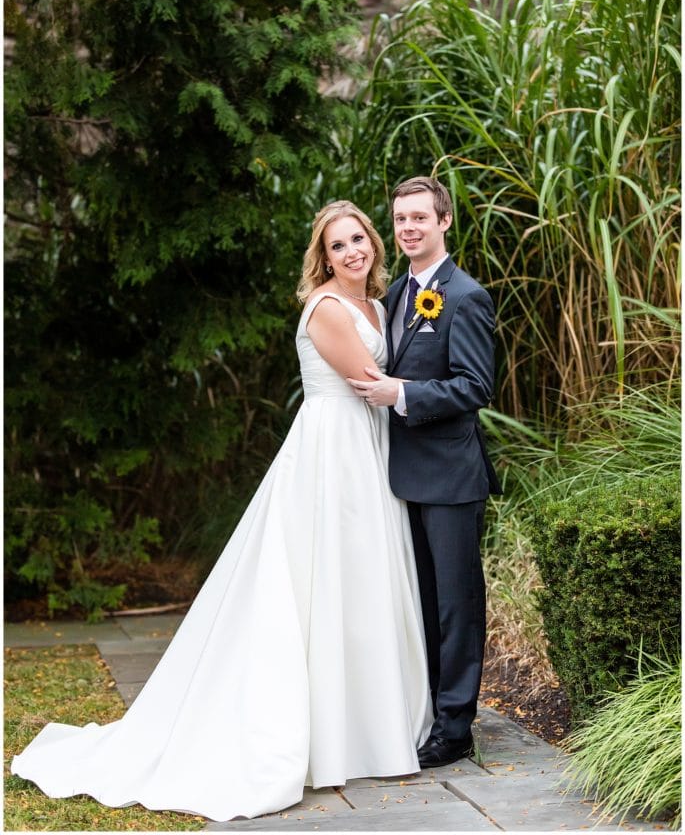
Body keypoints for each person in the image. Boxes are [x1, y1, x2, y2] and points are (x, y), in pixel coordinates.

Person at [11, 200, 432, 823]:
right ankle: (322, 734)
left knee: (361, 584)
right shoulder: (328, 307)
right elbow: (370, 383)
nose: (353, 252)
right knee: (322, 582)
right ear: (324, 257)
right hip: (332, 453)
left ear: (374, 242)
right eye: (338, 245)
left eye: (359, 240)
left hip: (367, 451)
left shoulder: (380, 302)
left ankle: (367, 726)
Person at [349, 176, 502, 769]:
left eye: (419, 217)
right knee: (419, 600)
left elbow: (473, 386)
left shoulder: (464, 296)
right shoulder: (393, 298)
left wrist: (401, 393)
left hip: (451, 476)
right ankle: (428, 709)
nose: (408, 228)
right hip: (400, 474)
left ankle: (456, 726)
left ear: (444, 222)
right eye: (400, 219)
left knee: (456, 603)